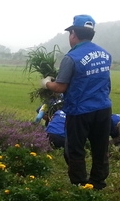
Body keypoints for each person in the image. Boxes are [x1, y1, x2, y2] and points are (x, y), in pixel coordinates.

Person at [42, 14, 112, 189]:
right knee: (100, 148)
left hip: (80, 111)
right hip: (103, 108)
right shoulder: (105, 54)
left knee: (75, 149)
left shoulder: (71, 58)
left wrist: (46, 83)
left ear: (73, 33)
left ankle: (80, 184)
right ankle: (98, 182)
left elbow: (60, 87)